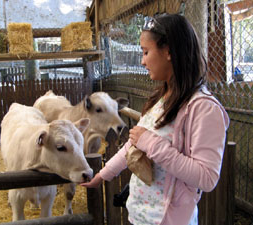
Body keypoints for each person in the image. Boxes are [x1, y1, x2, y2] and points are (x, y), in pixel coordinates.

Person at [81, 13, 230, 225]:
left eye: (145, 52)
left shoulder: (204, 109)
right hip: (139, 215)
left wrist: (151, 143)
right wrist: (103, 175)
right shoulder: (162, 98)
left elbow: (207, 178)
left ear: (168, 51)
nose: (142, 61)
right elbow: (134, 145)